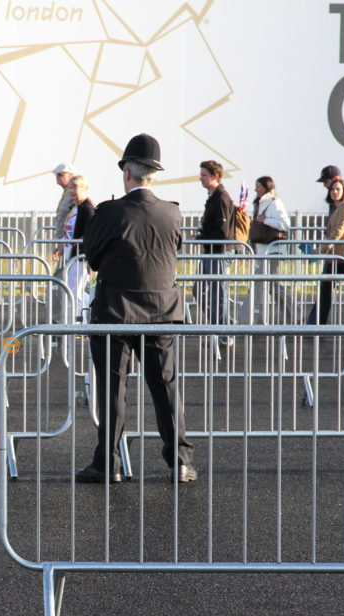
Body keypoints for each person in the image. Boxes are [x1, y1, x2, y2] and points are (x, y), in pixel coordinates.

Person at [77, 133, 195, 484]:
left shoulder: (110, 212)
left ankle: (108, 463)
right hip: (162, 312)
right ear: (152, 175)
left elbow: (92, 257)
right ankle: (181, 462)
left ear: (127, 172)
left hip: (114, 312)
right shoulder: (172, 213)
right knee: (166, 388)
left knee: (113, 391)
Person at [306, 177, 344, 325]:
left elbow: (339, 230)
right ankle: (316, 324)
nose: (334, 192)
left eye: (338, 189)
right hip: (337, 254)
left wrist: (322, 249)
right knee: (326, 289)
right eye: (332, 189)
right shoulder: (338, 207)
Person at [242, 176, 292, 324]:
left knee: (261, 285)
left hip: (272, 251)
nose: (255, 189)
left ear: (266, 188)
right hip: (264, 251)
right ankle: (293, 315)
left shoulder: (275, 203)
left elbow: (285, 224)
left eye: (258, 186)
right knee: (271, 286)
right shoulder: (262, 203)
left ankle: (245, 320)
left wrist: (265, 220)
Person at [196, 160, 235, 341]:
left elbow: (222, 233)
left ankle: (225, 333)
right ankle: (223, 324)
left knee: (218, 294)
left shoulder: (222, 198)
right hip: (210, 252)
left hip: (219, 252)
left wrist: (201, 237)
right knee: (199, 289)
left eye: (204, 175)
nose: (200, 178)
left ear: (215, 176)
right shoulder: (213, 198)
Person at [52, 175, 95, 323]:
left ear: (84, 189)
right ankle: (80, 318)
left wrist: (90, 257)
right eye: (70, 187)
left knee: (75, 289)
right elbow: (68, 232)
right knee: (73, 289)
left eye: (75, 187)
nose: (72, 191)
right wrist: (60, 247)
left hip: (81, 256)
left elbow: (90, 234)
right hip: (71, 254)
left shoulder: (87, 208)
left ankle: (81, 321)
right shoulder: (74, 208)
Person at [51, 162, 76, 243]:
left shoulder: (74, 194)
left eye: (61, 174)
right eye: (57, 175)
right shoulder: (66, 193)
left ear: (71, 175)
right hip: (64, 237)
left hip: (70, 238)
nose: (58, 177)